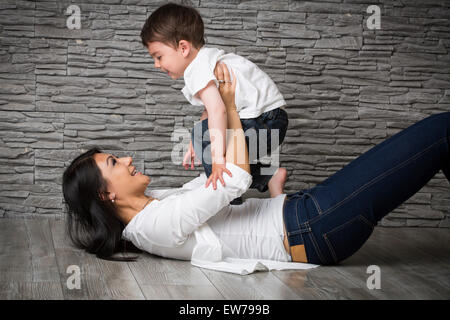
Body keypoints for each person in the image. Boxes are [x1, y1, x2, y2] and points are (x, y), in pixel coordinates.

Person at [63, 63, 450, 275]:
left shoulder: (154, 207)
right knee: (440, 130)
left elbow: (216, 184)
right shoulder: (154, 225)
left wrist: (206, 132)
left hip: (305, 214)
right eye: (114, 163)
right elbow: (236, 179)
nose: (128, 160)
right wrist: (226, 105)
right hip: (314, 225)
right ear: (106, 194)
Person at [140, 3, 289, 203]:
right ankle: (268, 176)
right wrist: (197, 140)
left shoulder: (197, 69)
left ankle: (228, 201)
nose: (156, 64)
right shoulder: (207, 59)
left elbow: (218, 111)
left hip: (263, 121)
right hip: (271, 120)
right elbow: (211, 109)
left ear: (183, 48)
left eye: (158, 57)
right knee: (205, 136)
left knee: (214, 148)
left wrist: (216, 159)